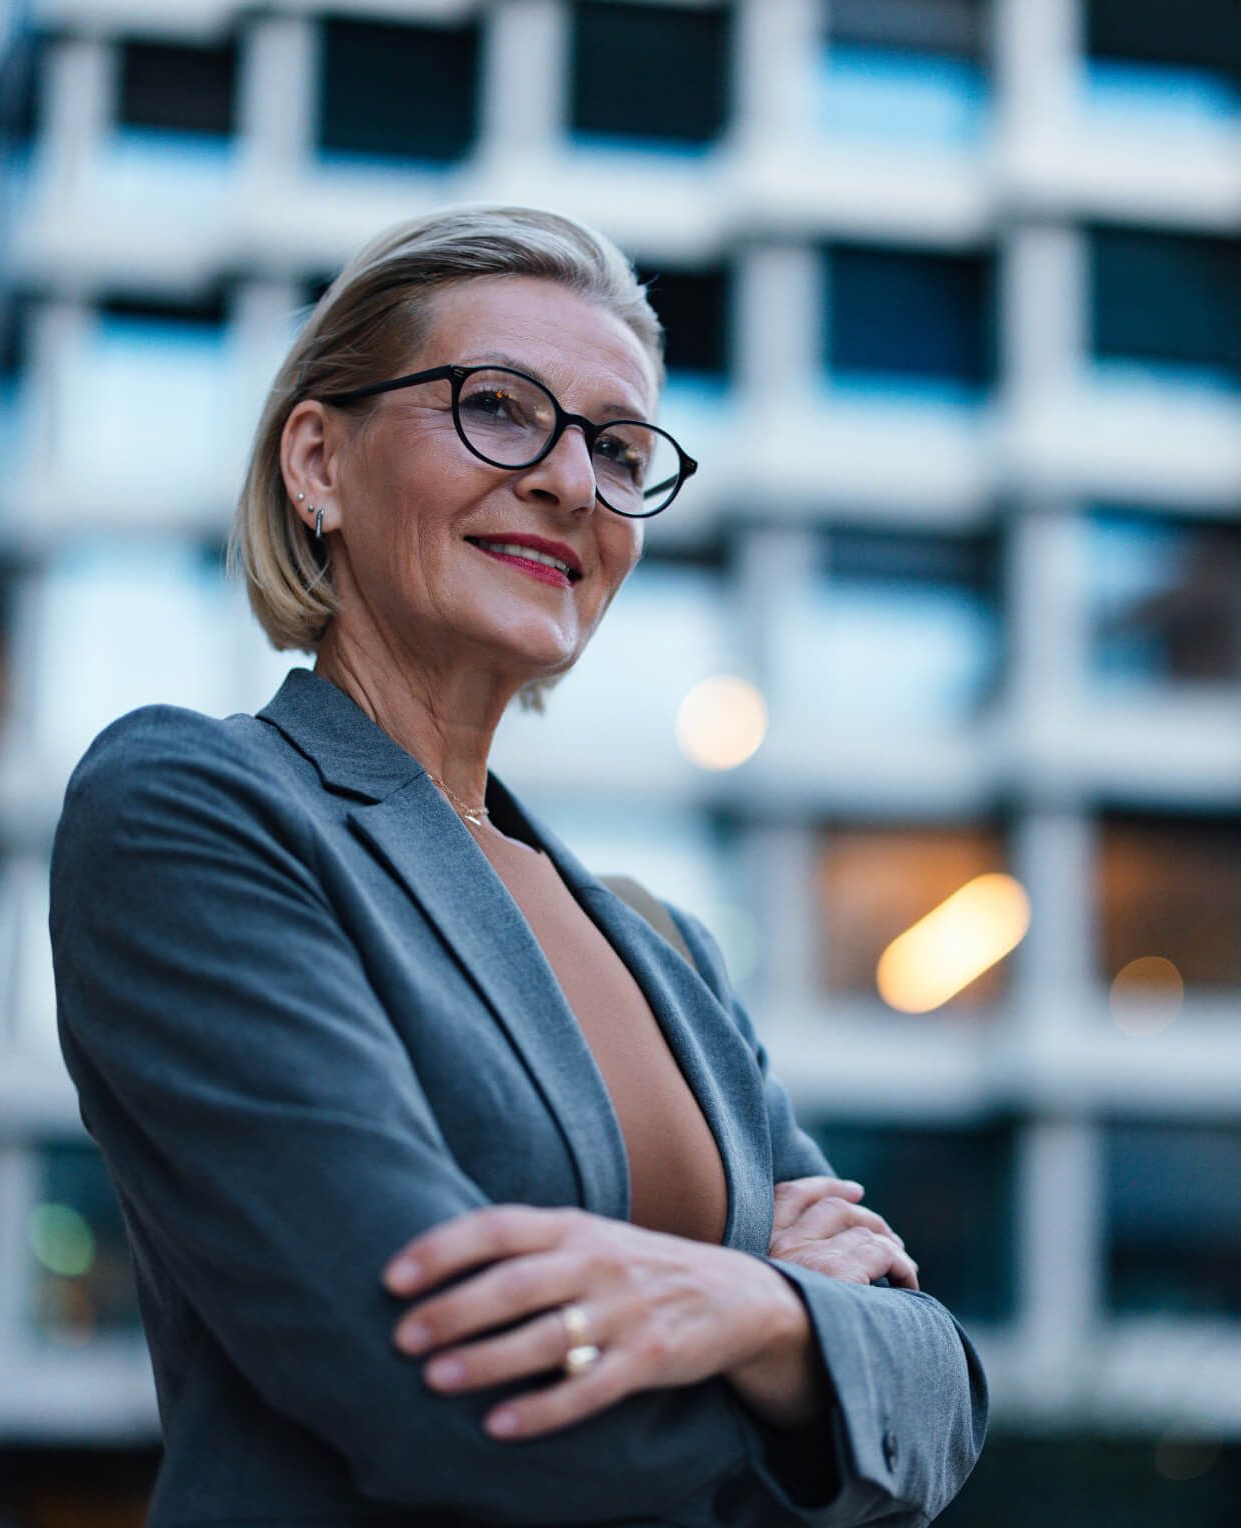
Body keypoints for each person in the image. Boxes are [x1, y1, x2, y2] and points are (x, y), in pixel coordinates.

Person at [48, 204, 988, 1527]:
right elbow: (440, 1395)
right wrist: (804, 1361)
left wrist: (745, 1305)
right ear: (318, 460)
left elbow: (938, 1400)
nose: (565, 479)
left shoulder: (658, 944)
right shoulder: (196, 809)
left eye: (617, 447)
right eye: (497, 406)